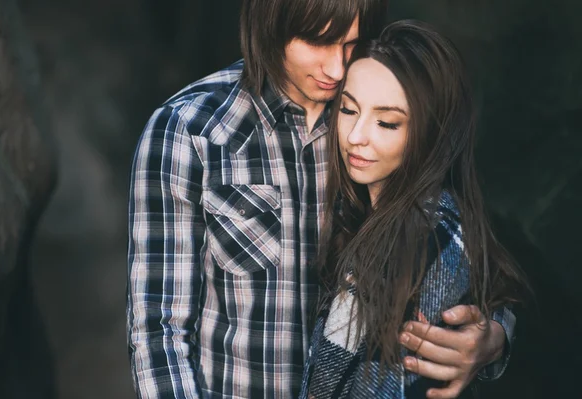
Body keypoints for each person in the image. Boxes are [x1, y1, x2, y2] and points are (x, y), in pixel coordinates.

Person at [127, 1, 515, 398]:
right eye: (318, 41)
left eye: (351, 44)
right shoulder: (190, 132)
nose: (335, 68)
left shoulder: (378, 106)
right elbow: (158, 329)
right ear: (271, 23)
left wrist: (493, 338)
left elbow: (456, 241)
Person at [299, 20, 528, 398]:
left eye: (387, 123)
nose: (356, 137)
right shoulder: (385, 214)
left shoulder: (415, 240)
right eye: (349, 110)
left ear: (430, 134)